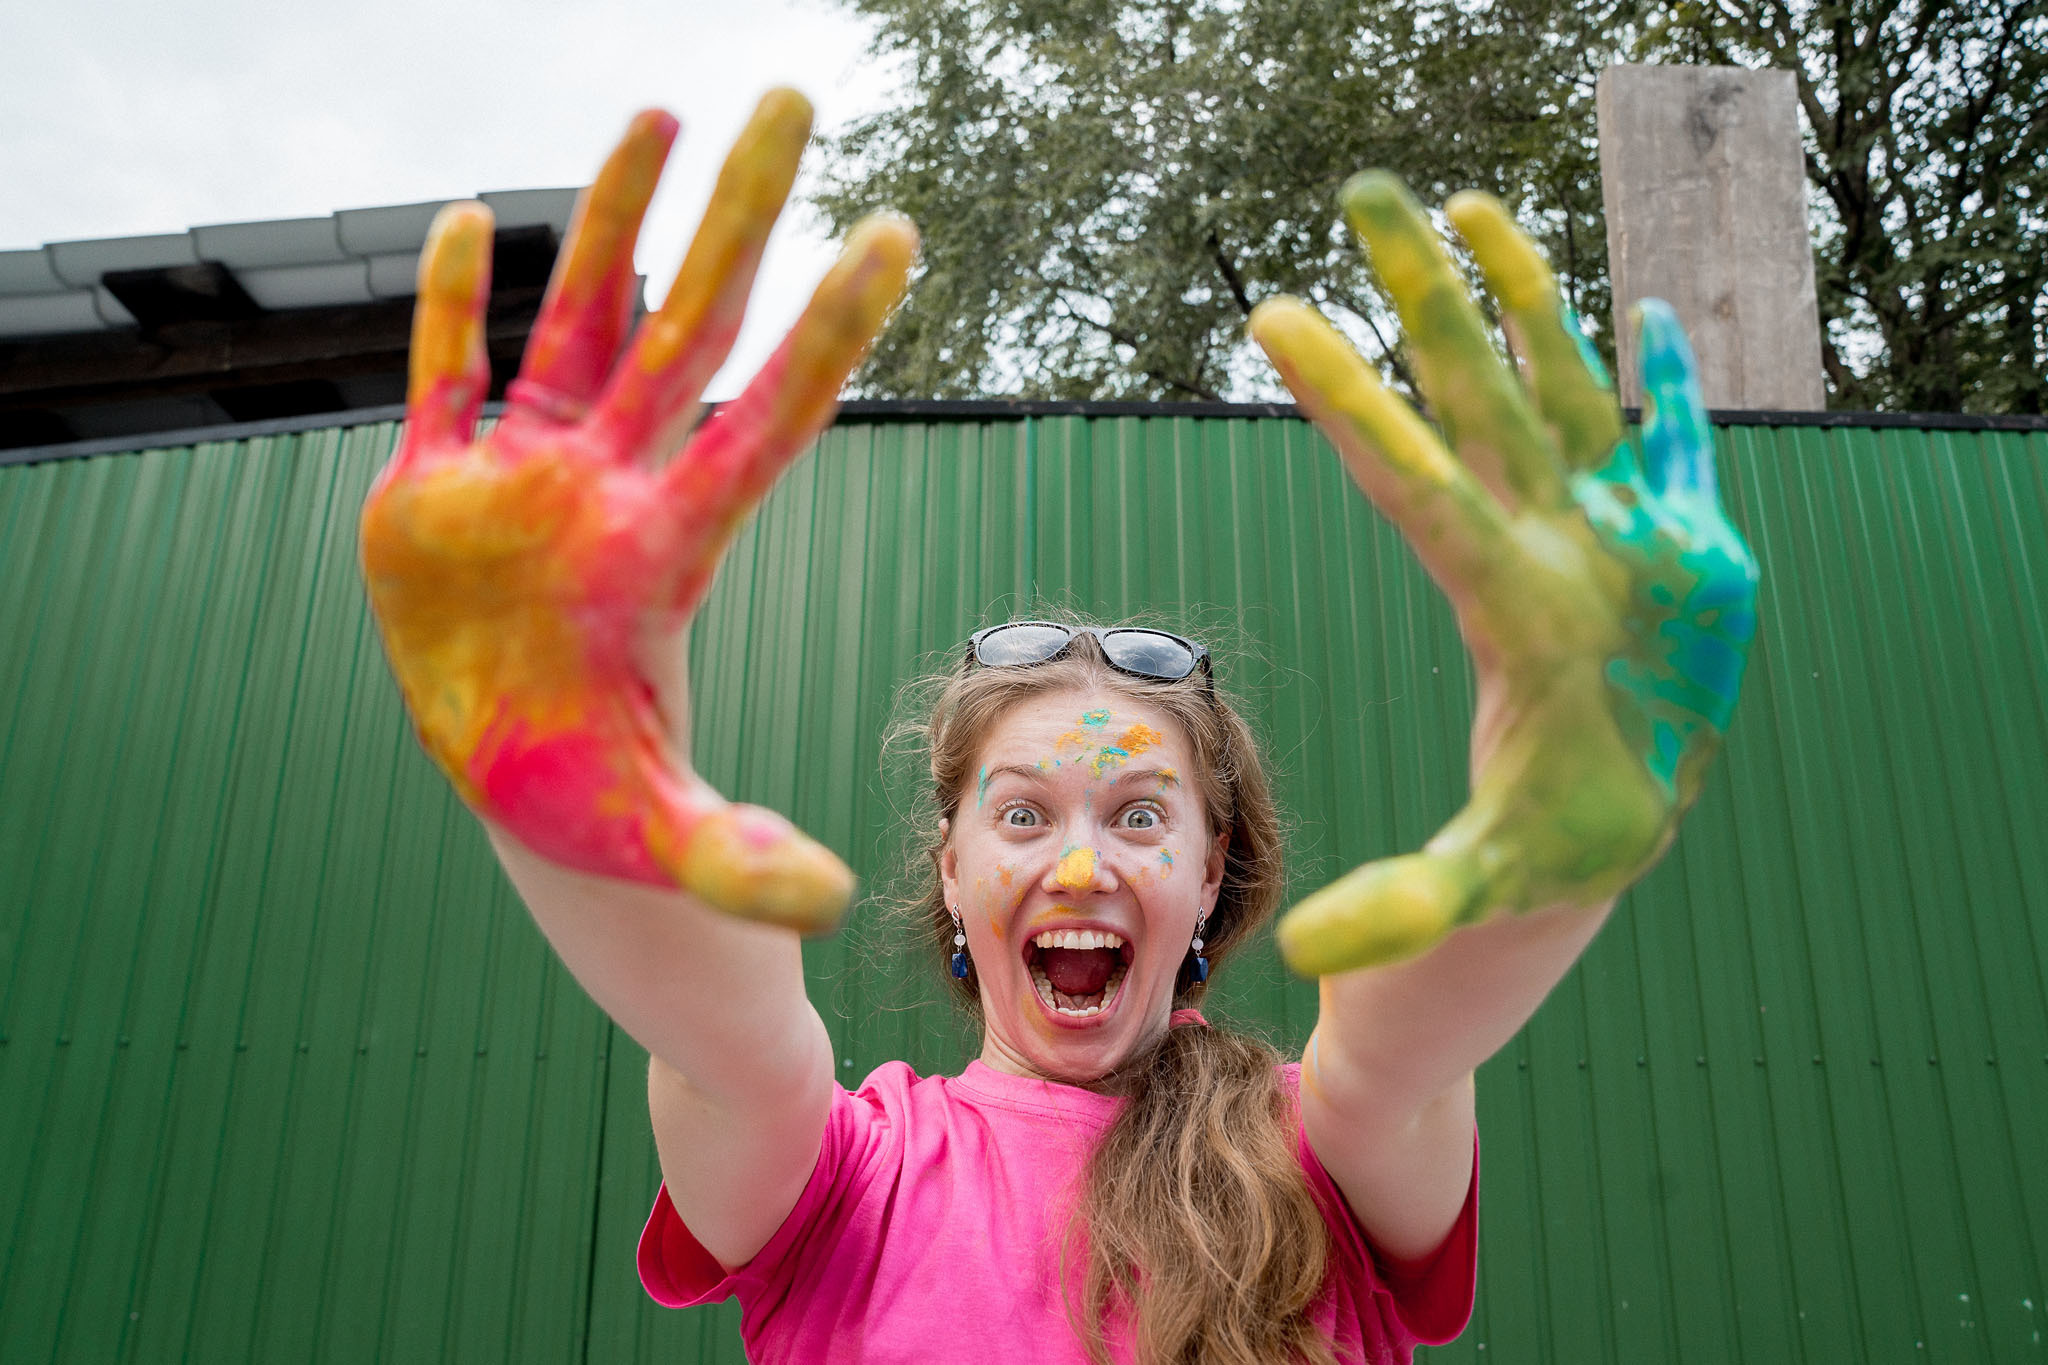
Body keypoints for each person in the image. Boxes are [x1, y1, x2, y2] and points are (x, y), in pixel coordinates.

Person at [359, 89, 1758, 1365]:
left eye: (1139, 816)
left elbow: (1399, 1042)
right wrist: (560, 790)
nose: (1080, 866)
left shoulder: (1314, 1153)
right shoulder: (850, 1167)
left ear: (1213, 875)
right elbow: (728, 1037)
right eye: (1022, 813)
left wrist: (1553, 845)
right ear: (954, 871)